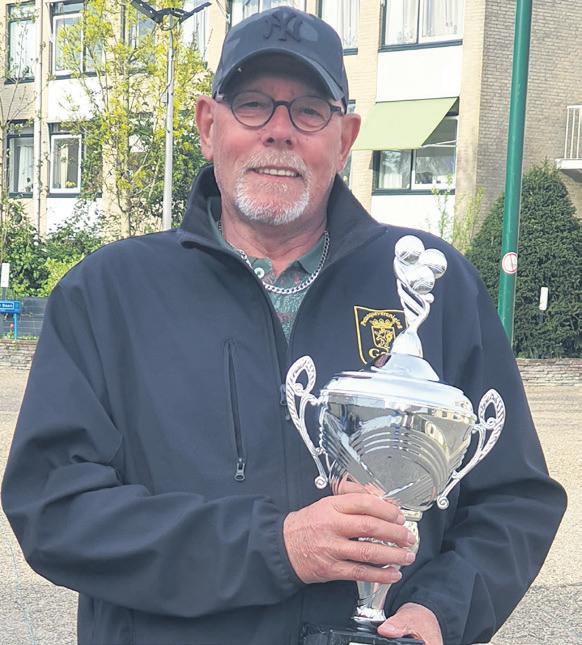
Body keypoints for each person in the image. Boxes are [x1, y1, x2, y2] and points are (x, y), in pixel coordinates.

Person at [2, 7, 566, 645]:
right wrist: (278, 546)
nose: (279, 132)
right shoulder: (108, 294)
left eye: (308, 111)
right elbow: (54, 508)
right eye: (252, 105)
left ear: (345, 139)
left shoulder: (431, 286)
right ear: (208, 126)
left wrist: (440, 613)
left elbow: (514, 498)